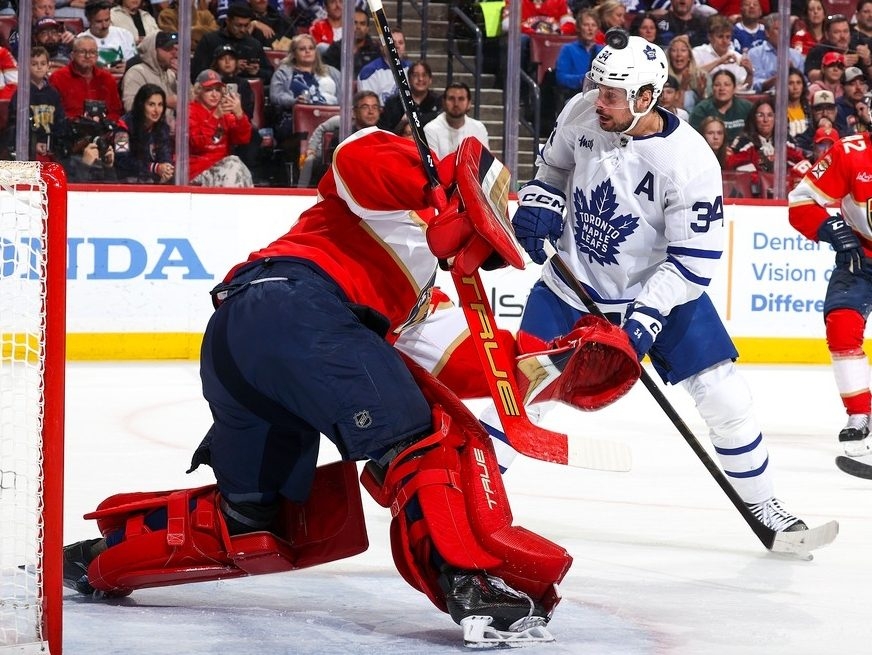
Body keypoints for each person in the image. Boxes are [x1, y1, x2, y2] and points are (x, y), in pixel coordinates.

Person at [60, 128, 572, 648]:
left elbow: (477, 360)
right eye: (483, 242)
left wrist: (566, 366)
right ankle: (468, 583)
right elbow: (356, 156)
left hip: (238, 339)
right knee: (421, 441)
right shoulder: (397, 198)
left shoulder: (418, 296)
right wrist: (430, 185)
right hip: (298, 310)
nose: (476, 256)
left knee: (254, 523)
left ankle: (97, 557)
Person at [511, 30, 810, 533]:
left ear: (646, 97)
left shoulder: (688, 161)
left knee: (724, 394)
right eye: (597, 87)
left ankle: (764, 505)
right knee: (521, 393)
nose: (597, 101)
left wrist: (647, 313)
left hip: (658, 290)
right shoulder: (584, 112)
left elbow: (692, 260)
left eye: (611, 94)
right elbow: (555, 166)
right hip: (570, 284)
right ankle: (472, 500)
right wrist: (542, 195)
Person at [788, 123, 872, 459]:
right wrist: (831, 228)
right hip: (862, 258)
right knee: (841, 325)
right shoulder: (851, 152)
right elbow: (801, 201)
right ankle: (859, 413)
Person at [296, 89, 382, 188]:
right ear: (354, 112)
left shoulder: (386, 136)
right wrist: (312, 148)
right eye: (365, 107)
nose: (371, 112)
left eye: (375, 107)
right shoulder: (342, 135)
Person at [269, 32, 341, 143]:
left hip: (329, 117)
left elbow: (343, 96)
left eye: (311, 48)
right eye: (302, 49)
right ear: (294, 53)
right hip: (294, 118)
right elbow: (275, 96)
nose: (307, 51)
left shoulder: (332, 72)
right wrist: (294, 101)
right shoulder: (283, 72)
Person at [187, 68, 253, 187]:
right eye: (209, 90)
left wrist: (239, 115)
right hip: (197, 172)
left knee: (237, 166)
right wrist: (215, 117)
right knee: (234, 164)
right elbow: (197, 144)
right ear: (198, 91)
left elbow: (243, 139)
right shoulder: (190, 111)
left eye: (217, 90)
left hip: (223, 170)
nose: (214, 95)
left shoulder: (225, 113)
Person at [4, 45, 66, 161]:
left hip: (51, 147)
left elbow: (59, 121)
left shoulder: (53, 93)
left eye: (43, 64)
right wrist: (32, 144)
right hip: (27, 150)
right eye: (34, 64)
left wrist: (55, 143)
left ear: (48, 66)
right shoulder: (21, 93)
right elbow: (15, 125)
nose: (39, 67)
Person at [190, 4, 271, 88]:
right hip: (214, 89)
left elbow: (270, 74)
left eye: (246, 25)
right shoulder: (210, 40)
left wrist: (257, 72)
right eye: (238, 25)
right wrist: (225, 69)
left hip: (246, 90)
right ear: (227, 21)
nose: (243, 30)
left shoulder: (254, 44)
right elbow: (196, 74)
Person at [49, 34, 123, 122]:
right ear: (72, 55)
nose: (87, 56)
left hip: (103, 130)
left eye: (92, 52)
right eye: (82, 52)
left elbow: (115, 111)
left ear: (97, 56)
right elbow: (53, 112)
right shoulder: (58, 78)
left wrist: (105, 123)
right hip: (69, 130)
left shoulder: (107, 78)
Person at [725, 97, 806, 175]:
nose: (765, 120)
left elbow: (801, 164)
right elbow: (735, 170)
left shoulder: (786, 141)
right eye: (760, 115)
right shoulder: (742, 142)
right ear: (753, 118)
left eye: (770, 115)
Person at [113, 82, 174, 183]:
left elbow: (165, 153)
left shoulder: (163, 128)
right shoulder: (123, 126)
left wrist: (166, 168)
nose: (157, 110)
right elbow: (122, 160)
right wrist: (155, 167)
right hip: (126, 179)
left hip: (152, 178)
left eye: (160, 105)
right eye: (151, 104)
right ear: (141, 105)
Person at [121, 30, 178, 125]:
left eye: (173, 48)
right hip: (145, 132)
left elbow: (191, 104)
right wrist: (164, 102)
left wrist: (184, 78)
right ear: (153, 50)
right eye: (167, 49)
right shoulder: (136, 73)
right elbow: (130, 107)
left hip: (169, 130)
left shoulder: (171, 74)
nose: (173, 52)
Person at [424, 82, 490, 159]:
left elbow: (485, 163)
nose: (456, 104)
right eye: (451, 99)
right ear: (443, 102)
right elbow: (433, 167)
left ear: (469, 103)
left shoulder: (479, 128)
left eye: (461, 99)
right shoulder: (430, 130)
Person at [689, 69, 752, 143]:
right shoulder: (701, 110)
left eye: (727, 84)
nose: (722, 89)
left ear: (734, 88)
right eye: (717, 85)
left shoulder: (747, 107)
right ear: (712, 88)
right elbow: (694, 139)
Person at [692, 14, 752, 91]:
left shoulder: (737, 57)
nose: (725, 41)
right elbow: (692, 78)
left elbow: (745, 88)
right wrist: (719, 62)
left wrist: (750, 74)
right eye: (720, 36)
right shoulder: (697, 53)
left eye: (728, 37)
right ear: (710, 37)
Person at [377, 59, 440, 133]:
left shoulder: (439, 102)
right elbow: (384, 133)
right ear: (409, 79)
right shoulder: (393, 103)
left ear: (430, 79)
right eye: (415, 75)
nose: (420, 79)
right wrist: (402, 123)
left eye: (424, 75)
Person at [554, 8, 602, 96]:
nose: (590, 29)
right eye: (586, 25)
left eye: (593, 25)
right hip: (574, 96)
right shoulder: (568, 49)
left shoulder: (602, 51)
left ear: (597, 29)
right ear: (579, 28)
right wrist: (585, 80)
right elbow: (561, 77)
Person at [80, 0, 137, 74]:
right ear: (89, 20)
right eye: (99, 21)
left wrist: (128, 67)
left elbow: (135, 63)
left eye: (107, 20)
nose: (104, 25)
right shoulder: (81, 40)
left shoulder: (125, 35)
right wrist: (105, 71)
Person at [321, 8, 380, 77]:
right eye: (354, 23)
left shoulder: (375, 50)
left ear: (367, 29)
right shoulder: (337, 48)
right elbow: (325, 71)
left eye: (362, 24)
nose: (358, 27)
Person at [357, 29, 409, 106]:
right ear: (382, 47)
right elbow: (368, 107)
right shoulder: (369, 72)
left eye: (400, 43)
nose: (397, 46)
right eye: (393, 43)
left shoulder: (411, 69)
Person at [666, 35, 707, 113]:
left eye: (683, 50)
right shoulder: (663, 78)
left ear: (689, 56)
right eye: (674, 50)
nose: (679, 54)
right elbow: (673, 112)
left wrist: (701, 94)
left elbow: (708, 109)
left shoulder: (701, 76)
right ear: (669, 56)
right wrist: (682, 88)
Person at [835, 66, 872, 135]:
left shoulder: (869, 105)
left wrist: (868, 120)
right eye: (852, 83)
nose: (858, 87)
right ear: (842, 87)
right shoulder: (836, 108)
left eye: (861, 83)